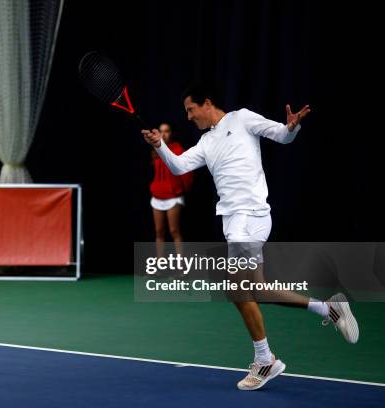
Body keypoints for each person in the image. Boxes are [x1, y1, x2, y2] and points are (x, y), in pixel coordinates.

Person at [141, 83, 359, 391]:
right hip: (234, 221)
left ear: (207, 103)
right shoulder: (206, 142)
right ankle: (328, 308)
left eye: (191, 109)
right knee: (256, 289)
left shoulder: (242, 119)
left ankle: (265, 359)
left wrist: (292, 127)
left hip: (250, 216)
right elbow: (179, 166)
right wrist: (159, 145)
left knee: (237, 289)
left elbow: (282, 135)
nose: (188, 117)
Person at [149, 122, 193, 257]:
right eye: (161, 131)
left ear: (171, 133)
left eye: (167, 131)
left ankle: (181, 268)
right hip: (157, 196)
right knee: (159, 232)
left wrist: (181, 190)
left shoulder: (179, 150)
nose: (164, 134)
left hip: (174, 196)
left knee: (174, 231)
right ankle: (159, 266)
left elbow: (187, 175)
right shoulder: (155, 150)